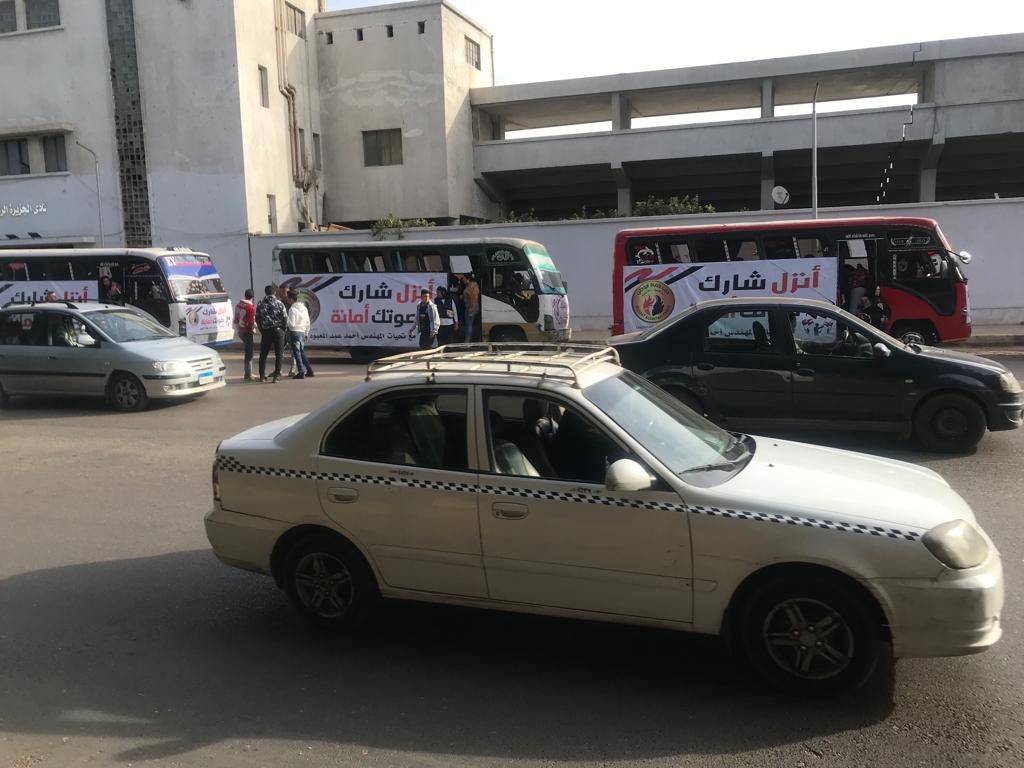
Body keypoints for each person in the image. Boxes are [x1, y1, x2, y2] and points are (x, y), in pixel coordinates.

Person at [255, 284, 287, 382]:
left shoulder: (260, 304)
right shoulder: (279, 303)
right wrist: (283, 329)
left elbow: (257, 318)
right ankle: (276, 376)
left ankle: (262, 375)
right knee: (279, 354)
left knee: (263, 354)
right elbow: (285, 318)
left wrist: (262, 329)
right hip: (278, 331)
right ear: (275, 292)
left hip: (266, 331)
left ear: (265, 292)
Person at [286, 290, 314, 379]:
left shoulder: (292, 309)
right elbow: (308, 322)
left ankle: (301, 372)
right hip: (302, 332)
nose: (287, 300)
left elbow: (292, 324)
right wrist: (306, 333)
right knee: (301, 352)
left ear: (291, 299)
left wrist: (286, 319)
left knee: (297, 353)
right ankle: (309, 370)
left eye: (288, 299)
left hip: (294, 332)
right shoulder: (304, 308)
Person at [233, 288, 256, 381]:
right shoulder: (251, 308)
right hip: (248, 332)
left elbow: (235, 319)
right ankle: (248, 374)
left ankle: (248, 373)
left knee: (248, 352)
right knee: (249, 354)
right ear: (252, 297)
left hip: (240, 331)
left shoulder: (238, 305)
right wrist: (255, 328)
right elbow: (251, 322)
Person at [463, 275, 480, 342]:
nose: (463, 280)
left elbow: (473, 299)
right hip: (470, 305)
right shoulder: (470, 286)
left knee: (469, 324)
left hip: (470, 306)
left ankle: (467, 341)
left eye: (464, 278)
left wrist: (471, 310)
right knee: (469, 324)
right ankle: (469, 340)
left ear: (468, 279)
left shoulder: (471, 286)